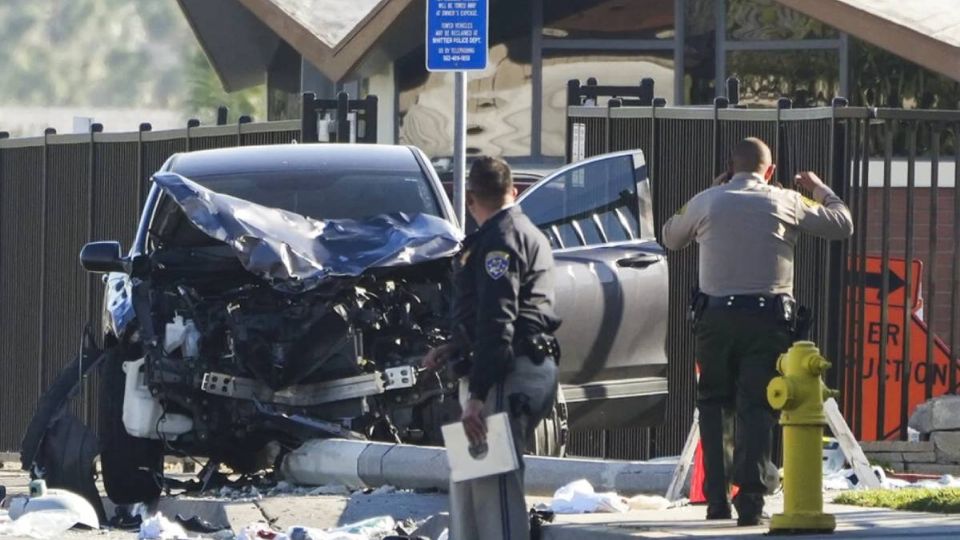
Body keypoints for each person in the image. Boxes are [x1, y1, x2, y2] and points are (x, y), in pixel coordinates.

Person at [661, 137, 853, 526]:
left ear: (730, 169)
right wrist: (817, 188)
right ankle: (749, 501)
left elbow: (669, 236)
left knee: (714, 404)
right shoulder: (785, 201)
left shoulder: (707, 200)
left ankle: (716, 499)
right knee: (756, 406)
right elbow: (842, 224)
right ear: (770, 170)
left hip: (715, 320)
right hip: (766, 321)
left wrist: (715, 191)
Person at [424, 156, 561, 540]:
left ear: (469, 198)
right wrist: (454, 347)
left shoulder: (500, 240)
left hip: (506, 371)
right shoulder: (524, 231)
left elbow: (498, 321)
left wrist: (478, 396)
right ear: (512, 190)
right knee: (474, 485)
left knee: (493, 485)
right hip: (516, 363)